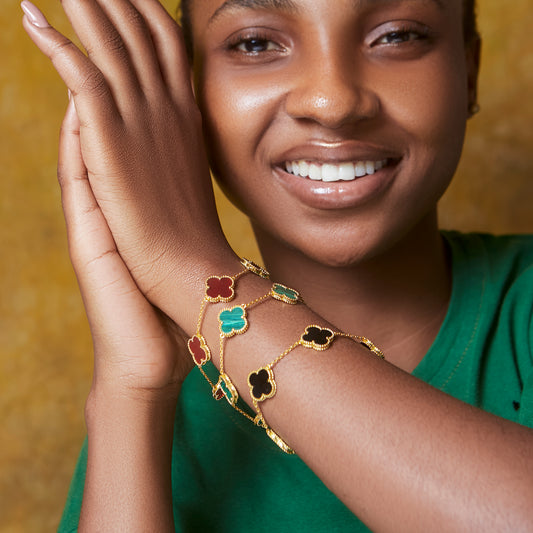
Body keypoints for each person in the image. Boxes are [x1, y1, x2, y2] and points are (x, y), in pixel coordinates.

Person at [21, 0, 533, 530]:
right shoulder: (166, 409)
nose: (332, 101)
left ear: (468, 71)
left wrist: (196, 275)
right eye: (255, 44)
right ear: (185, 96)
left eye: (397, 35)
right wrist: (133, 389)